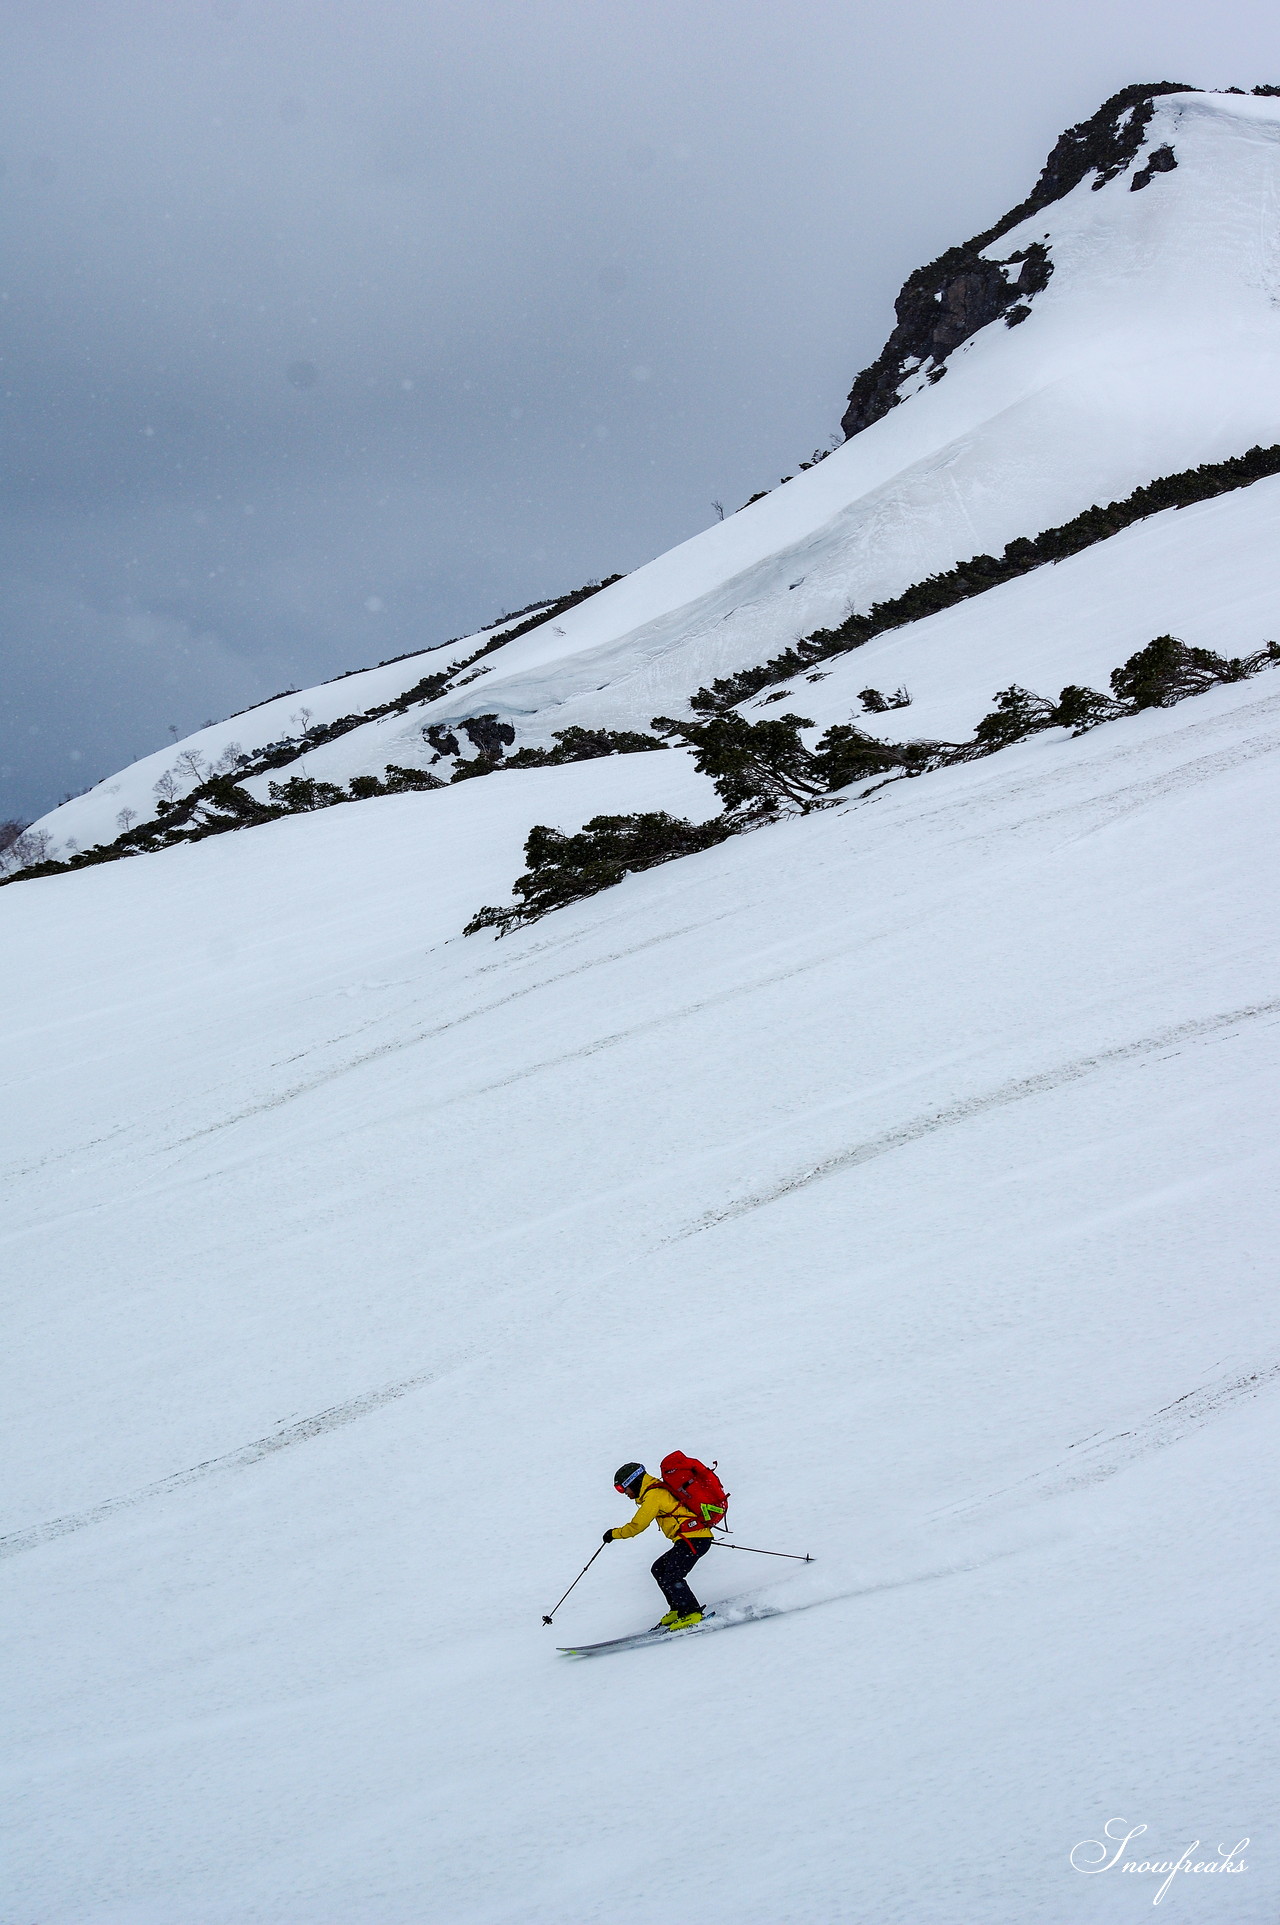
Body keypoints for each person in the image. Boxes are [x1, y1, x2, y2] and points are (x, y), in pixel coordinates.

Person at [603, 1461, 713, 1629]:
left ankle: (692, 1613)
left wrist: (613, 1533)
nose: (624, 1493)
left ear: (634, 1482)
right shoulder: (653, 1492)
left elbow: (637, 1526)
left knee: (672, 1575)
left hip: (694, 1539)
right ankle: (677, 1608)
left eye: (624, 1488)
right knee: (659, 1569)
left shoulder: (654, 1495)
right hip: (690, 1539)